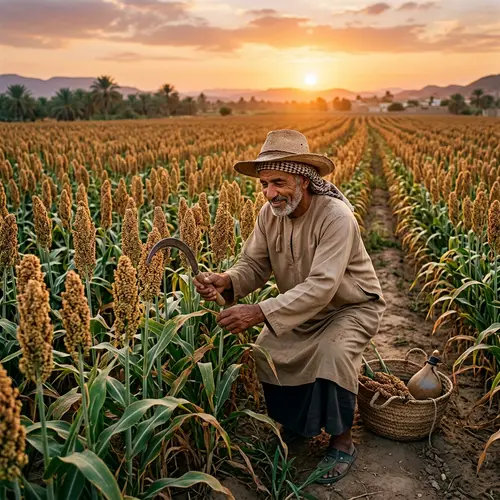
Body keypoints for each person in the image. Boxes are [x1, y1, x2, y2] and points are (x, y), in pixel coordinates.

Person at [194, 129, 386, 484]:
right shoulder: (270, 215)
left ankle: (342, 442)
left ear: (302, 179)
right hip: (299, 309)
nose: (270, 193)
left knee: (333, 353)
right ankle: (300, 427)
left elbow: (323, 285)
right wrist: (228, 280)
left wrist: (260, 312)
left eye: (278, 182)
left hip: (350, 309)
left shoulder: (336, 217)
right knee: (268, 349)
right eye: (265, 184)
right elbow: (253, 264)